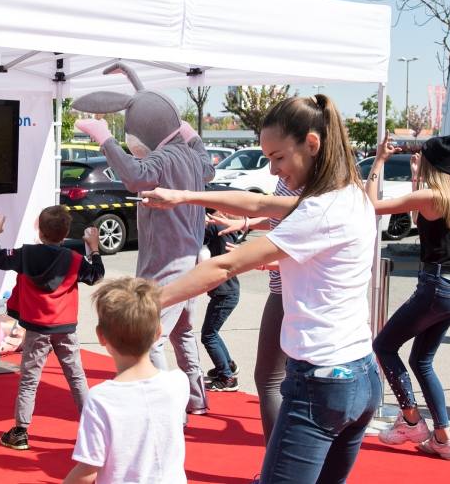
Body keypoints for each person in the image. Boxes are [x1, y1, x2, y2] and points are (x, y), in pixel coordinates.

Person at [143, 94, 382, 483]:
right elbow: (258, 204)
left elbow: (225, 265)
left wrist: (152, 303)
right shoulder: (347, 195)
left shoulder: (319, 211)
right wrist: (185, 196)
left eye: (278, 158)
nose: (273, 170)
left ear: (312, 143)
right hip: (360, 375)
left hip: (321, 383)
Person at [73, 62, 215, 415]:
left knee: (150, 336)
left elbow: (134, 176)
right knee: (182, 332)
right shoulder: (190, 156)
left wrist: (104, 139)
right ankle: (195, 400)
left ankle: (165, 409)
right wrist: (192, 134)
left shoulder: (163, 158)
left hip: (167, 263)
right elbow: (208, 165)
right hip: (194, 257)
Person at [368, 134, 450, 460]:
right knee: (421, 361)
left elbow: (372, 207)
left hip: (436, 287)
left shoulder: (431, 195)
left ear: (429, 162)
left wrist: (379, 161)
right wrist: (415, 176)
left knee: (383, 345)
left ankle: (411, 419)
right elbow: (417, 220)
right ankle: (443, 439)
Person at [0, 206, 104, 450]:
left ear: (39, 231)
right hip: (65, 327)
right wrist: (94, 246)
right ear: (66, 232)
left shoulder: (25, 255)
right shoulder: (74, 259)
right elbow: (96, 275)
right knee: (76, 376)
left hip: (37, 328)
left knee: (30, 379)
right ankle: (92, 426)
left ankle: (20, 432)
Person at [64, 277, 189, 484]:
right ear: (158, 332)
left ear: (101, 336)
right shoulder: (178, 383)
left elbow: (88, 469)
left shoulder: (101, 398)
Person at [207, 176, 303, 443]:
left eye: (278, 156)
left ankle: (277, 465)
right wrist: (246, 223)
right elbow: (277, 214)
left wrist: (259, 261)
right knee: (281, 380)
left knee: (271, 379)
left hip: (290, 293)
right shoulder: (295, 182)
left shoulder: (315, 190)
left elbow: (263, 206)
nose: (272, 167)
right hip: (284, 290)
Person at [200, 212, 242, 392]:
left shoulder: (216, 228)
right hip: (228, 291)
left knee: (208, 335)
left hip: (224, 293)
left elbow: (195, 238)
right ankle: (227, 366)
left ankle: (227, 377)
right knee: (213, 332)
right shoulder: (226, 229)